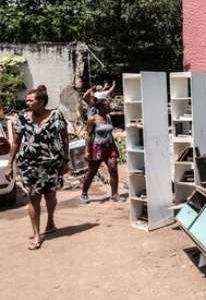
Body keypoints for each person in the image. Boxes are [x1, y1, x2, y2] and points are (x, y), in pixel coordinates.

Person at [6, 86, 69, 250]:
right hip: (29, 166)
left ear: (41, 102)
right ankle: (36, 234)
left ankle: (50, 222)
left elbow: (65, 139)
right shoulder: (22, 119)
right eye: (27, 100)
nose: (27, 102)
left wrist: (66, 160)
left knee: (51, 197)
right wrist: (10, 165)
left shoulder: (56, 115)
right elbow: (16, 143)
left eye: (30, 100)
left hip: (52, 164)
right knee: (33, 200)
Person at [81, 97, 122, 204]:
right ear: (101, 107)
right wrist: (87, 151)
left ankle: (114, 195)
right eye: (107, 105)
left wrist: (115, 147)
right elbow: (88, 136)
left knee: (113, 169)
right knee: (92, 172)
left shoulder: (108, 117)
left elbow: (110, 134)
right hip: (97, 148)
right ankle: (84, 193)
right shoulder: (92, 120)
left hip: (109, 147)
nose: (110, 106)